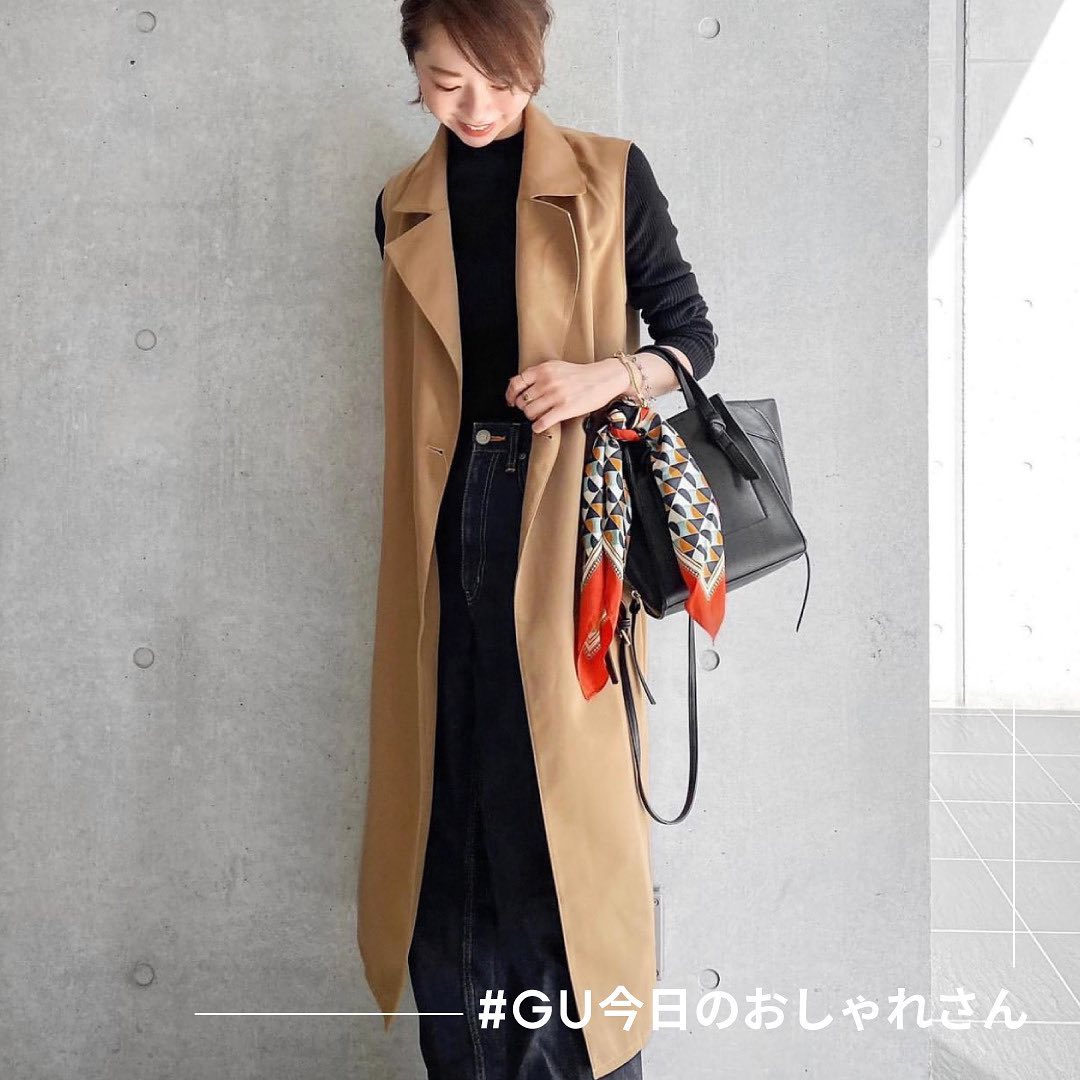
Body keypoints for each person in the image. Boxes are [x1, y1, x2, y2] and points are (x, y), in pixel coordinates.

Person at [358, 2, 716, 1077]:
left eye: (501, 82)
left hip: (573, 524)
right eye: (446, 82)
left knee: (555, 807)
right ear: (413, 66)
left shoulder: (609, 176)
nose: (475, 107)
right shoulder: (400, 205)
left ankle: (584, 1061)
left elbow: (692, 339)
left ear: (537, 65)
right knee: (447, 798)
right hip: (446, 521)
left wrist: (604, 376)